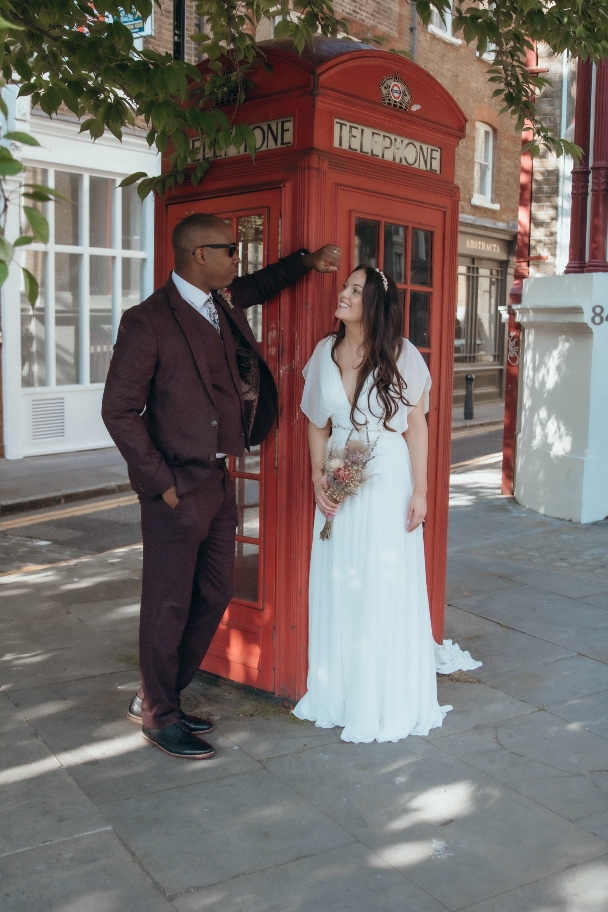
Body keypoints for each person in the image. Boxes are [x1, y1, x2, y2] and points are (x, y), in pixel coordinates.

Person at [102, 212, 340, 759]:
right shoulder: (148, 321)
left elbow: (261, 283)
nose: (237, 258)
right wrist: (160, 481)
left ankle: (159, 694)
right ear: (198, 256)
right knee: (166, 603)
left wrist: (308, 261)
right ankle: (160, 716)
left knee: (215, 591)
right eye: (229, 250)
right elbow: (118, 409)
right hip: (176, 485)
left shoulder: (222, 300)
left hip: (219, 477)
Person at [293, 265, 450, 743]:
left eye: (355, 290)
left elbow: (417, 424)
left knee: (381, 581)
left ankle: (382, 696)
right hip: (342, 469)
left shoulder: (402, 355)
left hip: (386, 475)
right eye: (345, 287)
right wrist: (319, 476)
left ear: (374, 304)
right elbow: (316, 423)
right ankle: (340, 691)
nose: (342, 294)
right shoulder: (324, 351)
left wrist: (421, 491)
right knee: (342, 577)